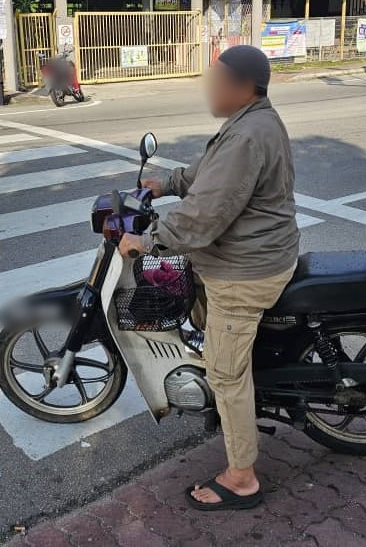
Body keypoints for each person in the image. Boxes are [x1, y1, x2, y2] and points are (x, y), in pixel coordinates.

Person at [118, 45, 300, 511]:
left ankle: (241, 477)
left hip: (245, 272)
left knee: (225, 372)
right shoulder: (250, 123)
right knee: (189, 294)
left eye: (215, 81)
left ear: (241, 89)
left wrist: (149, 240)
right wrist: (166, 182)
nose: (208, 89)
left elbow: (204, 215)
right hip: (246, 257)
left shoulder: (245, 136)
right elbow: (207, 176)